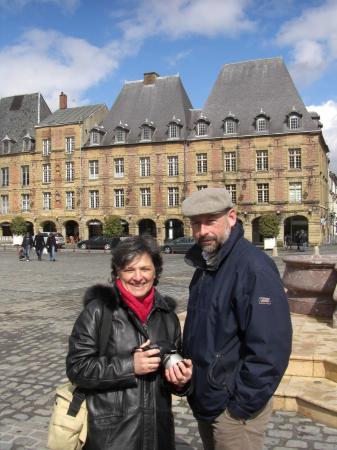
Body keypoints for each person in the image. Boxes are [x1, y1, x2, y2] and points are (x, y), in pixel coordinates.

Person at [181, 187, 292, 450]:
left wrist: (241, 404)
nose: (202, 232)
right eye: (196, 224)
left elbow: (270, 346)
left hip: (232, 409)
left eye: (210, 222)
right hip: (208, 397)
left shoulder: (253, 267)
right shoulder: (207, 264)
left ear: (231, 217)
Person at [66, 236, 193, 450]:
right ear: (117, 272)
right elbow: (77, 368)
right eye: (129, 269)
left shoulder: (167, 316)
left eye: (145, 269)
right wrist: (130, 366)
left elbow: (170, 375)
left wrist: (180, 380)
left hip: (157, 435)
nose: (138, 277)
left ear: (156, 271)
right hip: (112, 436)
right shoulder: (98, 311)